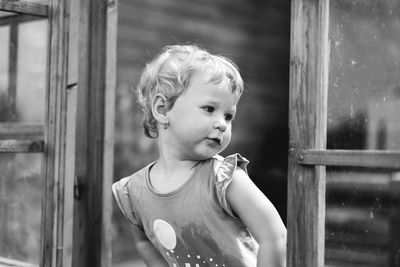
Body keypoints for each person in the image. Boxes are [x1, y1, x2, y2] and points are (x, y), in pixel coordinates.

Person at [112, 44, 286, 267]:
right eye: (210, 109)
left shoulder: (223, 179)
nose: (222, 124)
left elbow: (276, 237)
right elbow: (145, 243)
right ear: (163, 110)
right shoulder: (133, 193)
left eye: (229, 116)